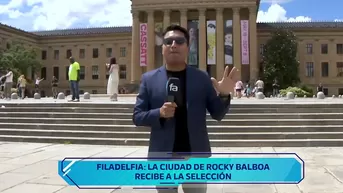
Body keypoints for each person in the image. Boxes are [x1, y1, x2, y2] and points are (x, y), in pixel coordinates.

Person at [133, 25, 238, 193]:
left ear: (188, 48)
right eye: (168, 41)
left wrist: (224, 94)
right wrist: (159, 113)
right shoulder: (149, 79)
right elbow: (137, 116)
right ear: (163, 49)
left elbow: (218, 114)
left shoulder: (201, 78)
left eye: (179, 41)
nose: (173, 45)